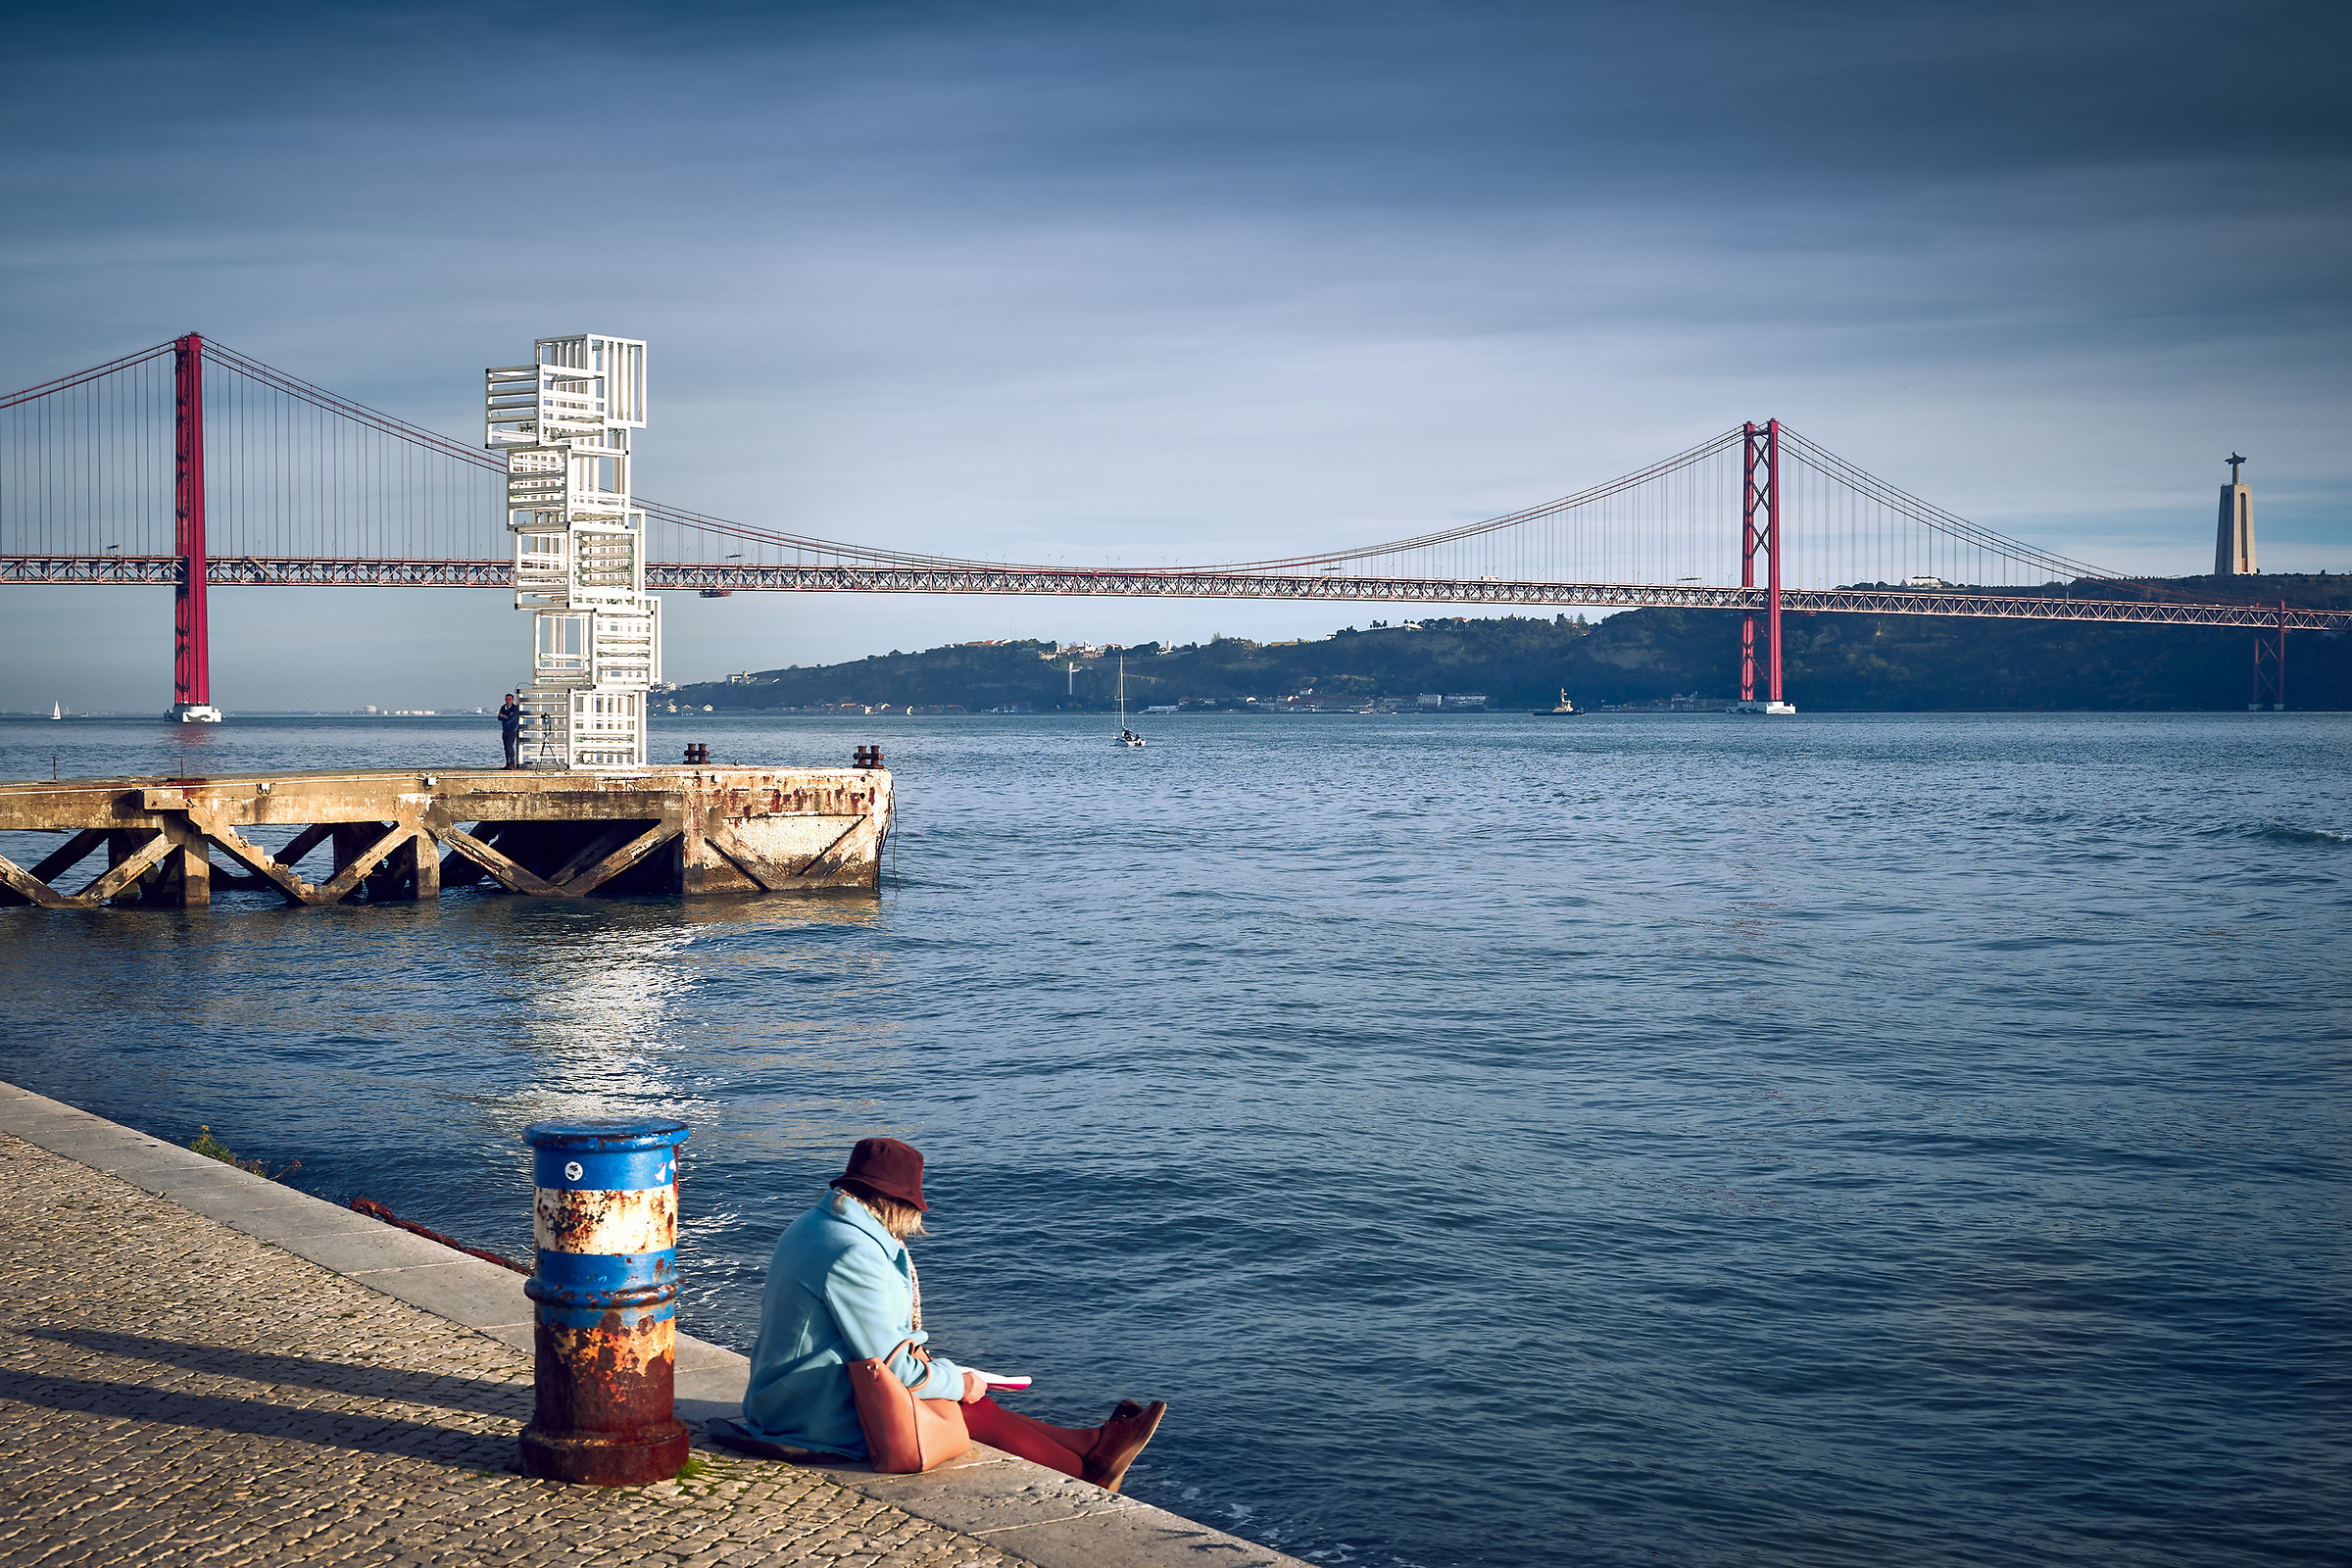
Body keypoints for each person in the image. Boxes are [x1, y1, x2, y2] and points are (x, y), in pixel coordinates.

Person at [719, 1137, 1167, 1492]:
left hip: (788, 1393)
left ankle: (1089, 1446)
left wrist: (955, 1379)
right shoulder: (854, 1253)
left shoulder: (818, 1226)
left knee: (960, 1396)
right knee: (959, 1405)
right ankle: (1086, 1469)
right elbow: (895, 1366)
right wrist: (961, 1379)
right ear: (897, 1203)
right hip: (808, 1415)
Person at [497, 693, 520, 768]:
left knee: (510, 746)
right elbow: (499, 718)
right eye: (506, 699)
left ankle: (512, 764)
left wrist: (504, 716)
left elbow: (511, 718)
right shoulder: (503, 707)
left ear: (512, 700)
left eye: (509, 699)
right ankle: (508, 763)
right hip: (505, 729)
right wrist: (506, 716)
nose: (507, 701)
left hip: (512, 730)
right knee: (506, 747)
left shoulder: (515, 708)